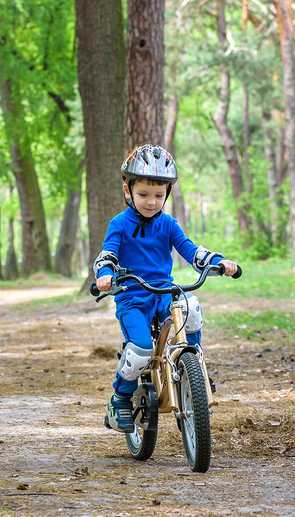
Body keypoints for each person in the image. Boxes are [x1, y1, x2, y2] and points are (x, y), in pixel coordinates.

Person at [93, 144, 238, 433]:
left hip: (163, 294)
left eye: (159, 195)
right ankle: (120, 399)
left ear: (167, 194)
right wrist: (105, 274)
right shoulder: (119, 224)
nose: (151, 202)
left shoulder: (169, 224)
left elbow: (191, 250)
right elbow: (106, 254)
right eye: (144, 194)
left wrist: (218, 262)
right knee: (140, 349)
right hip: (132, 296)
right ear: (128, 192)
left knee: (191, 305)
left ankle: (194, 364)